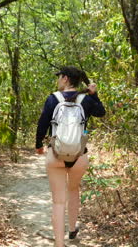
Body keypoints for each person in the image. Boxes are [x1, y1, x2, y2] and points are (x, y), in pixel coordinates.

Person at [35, 66, 106, 246]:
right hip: (79, 156)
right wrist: (94, 94)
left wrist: (38, 146)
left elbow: (42, 123)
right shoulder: (86, 100)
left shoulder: (53, 99)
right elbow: (101, 112)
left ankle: (59, 243)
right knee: (73, 190)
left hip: (56, 155)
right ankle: (72, 230)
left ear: (66, 78)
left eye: (59, 77)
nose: (58, 80)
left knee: (58, 202)